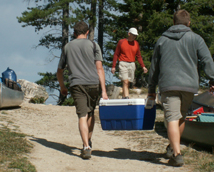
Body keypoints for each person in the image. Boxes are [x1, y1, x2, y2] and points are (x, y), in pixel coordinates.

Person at [147, 10, 214, 167]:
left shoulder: (162, 40)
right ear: (189, 23)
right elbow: (207, 59)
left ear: (173, 23)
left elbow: (154, 67)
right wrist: (213, 79)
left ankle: (177, 154)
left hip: (168, 84)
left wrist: (151, 88)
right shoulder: (196, 38)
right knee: (180, 117)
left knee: (172, 117)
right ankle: (174, 147)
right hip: (189, 86)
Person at [57, 21, 108, 159]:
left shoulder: (67, 47)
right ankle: (88, 141)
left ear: (74, 33)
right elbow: (99, 69)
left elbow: (59, 71)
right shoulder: (93, 45)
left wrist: (62, 86)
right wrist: (104, 90)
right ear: (87, 32)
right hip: (93, 84)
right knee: (91, 114)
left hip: (76, 84)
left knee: (82, 115)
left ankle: (86, 146)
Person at [111, 27, 148, 99]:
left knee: (127, 82)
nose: (134, 37)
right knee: (125, 81)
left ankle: (124, 97)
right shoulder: (121, 42)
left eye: (135, 35)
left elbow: (139, 56)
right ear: (129, 34)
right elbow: (116, 54)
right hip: (123, 63)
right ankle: (127, 97)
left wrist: (143, 66)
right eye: (133, 35)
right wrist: (113, 66)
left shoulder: (136, 44)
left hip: (132, 64)